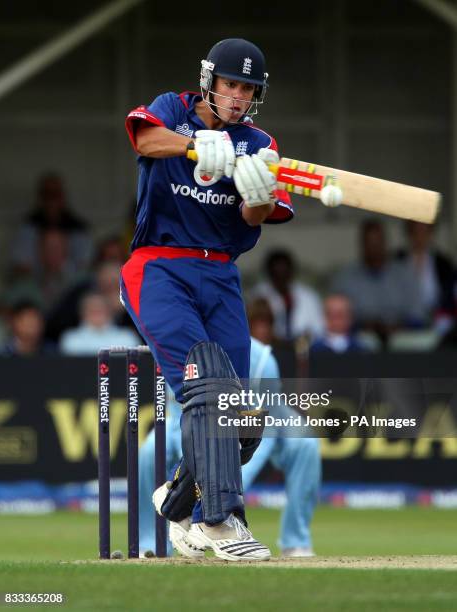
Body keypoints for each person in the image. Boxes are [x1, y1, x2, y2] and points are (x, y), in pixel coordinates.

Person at [120, 38, 294, 561]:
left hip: (220, 274)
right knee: (211, 390)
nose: (238, 97)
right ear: (209, 81)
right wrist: (195, 146)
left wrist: (259, 196)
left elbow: (254, 218)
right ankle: (222, 521)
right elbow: (146, 141)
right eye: (230, 84)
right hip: (158, 266)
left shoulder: (260, 142)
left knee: (240, 415)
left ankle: (183, 510)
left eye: (248, 89)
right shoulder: (172, 109)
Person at [138, 337, 320, 558]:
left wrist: (229, 485)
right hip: (191, 422)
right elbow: (180, 417)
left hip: (266, 421)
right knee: (150, 450)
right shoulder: (184, 352)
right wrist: (198, 470)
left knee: (306, 444)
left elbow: (260, 421)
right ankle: (151, 542)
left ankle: (295, 541)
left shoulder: (262, 359)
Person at [251, 250, 324, 342]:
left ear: (291, 272)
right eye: (276, 274)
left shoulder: (309, 296)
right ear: (269, 274)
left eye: (284, 273)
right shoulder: (258, 295)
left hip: (304, 350)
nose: (281, 278)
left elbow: (319, 330)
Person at [59, 292, 140, 355]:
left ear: (110, 312)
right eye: (91, 309)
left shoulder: (127, 337)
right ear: (82, 313)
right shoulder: (70, 338)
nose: (97, 313)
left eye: (101, 309)